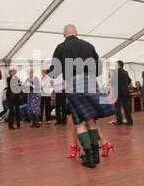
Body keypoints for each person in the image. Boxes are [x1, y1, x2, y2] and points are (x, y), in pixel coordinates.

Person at [48, 24, 114, 168]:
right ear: (77, 33)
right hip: (91, 82)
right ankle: (96, 156)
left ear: (64, 34)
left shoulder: (61, 47)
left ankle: (89, 158)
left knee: (79, 122)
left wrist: (48, 71)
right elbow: (99, 69)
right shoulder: (89, 45)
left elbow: (54, 71)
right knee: (90, 120)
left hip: (73, 84)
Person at [112, 60, 133, 126]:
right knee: (126, 108)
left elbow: (112, 83)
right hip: (126, 92)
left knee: (117, 108)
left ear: (118, 65)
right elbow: (129, 81)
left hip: (118, 93)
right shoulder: (126, 72)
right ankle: (130, 121)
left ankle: (119, 121)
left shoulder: (115, 72)